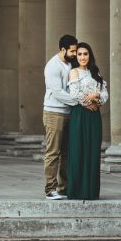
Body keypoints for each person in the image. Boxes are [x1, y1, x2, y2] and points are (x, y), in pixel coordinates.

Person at [66, 42, 108, 201]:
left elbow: (104, 95)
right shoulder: (74, 72)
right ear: (76, 56)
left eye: (85, 54)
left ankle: (91, 191)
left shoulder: (95, 72)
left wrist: (95, 97)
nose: (83, 57)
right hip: (79, 115)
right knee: (78, 150)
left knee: (92, 151)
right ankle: (77, 190)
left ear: (90, 56)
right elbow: (75, 94)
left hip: (94, 116)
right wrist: (89, 101)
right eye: (79, 54)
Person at [42, 34, 78, 199]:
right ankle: (50, 189)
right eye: (72, 51)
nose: (75, 53)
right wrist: (78, 101)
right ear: (62, 49)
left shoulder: (71, 63)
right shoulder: (52, 66)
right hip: (53, 112)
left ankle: (63, 188)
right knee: (53, 152)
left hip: (69, 113)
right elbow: (57, 92)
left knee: (66, 153)